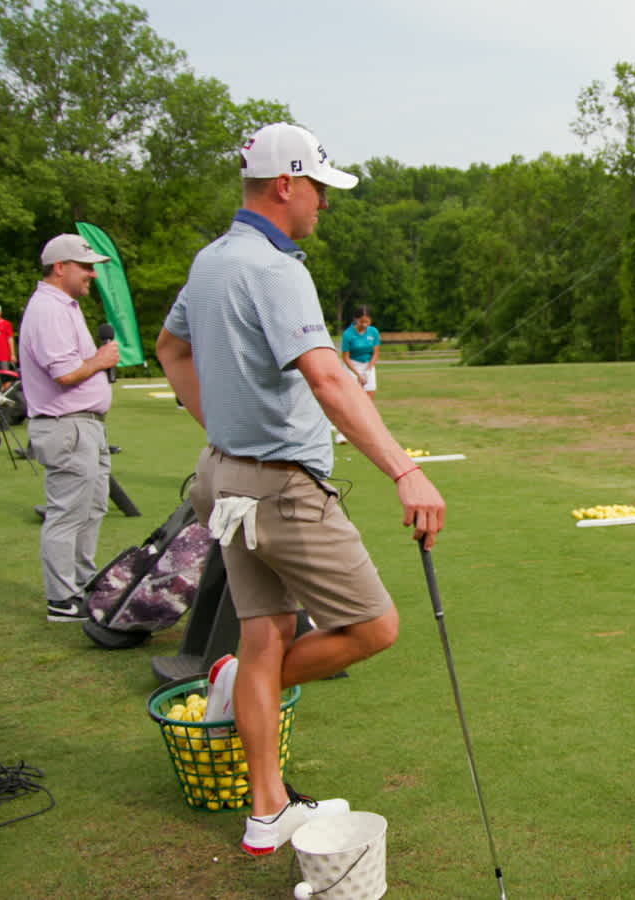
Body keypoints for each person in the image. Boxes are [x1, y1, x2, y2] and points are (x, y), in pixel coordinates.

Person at [155, 122, 446, 857]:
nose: (323, 203)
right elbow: (327, 376)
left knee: (265, 636)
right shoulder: (275, 269)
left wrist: (215, 420)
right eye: (318, 187)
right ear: (285, 184)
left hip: (221, 478)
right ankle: (231, 680)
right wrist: (406, 470)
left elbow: (170, 347)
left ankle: (268, 810)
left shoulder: (211, 260)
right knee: (374, 628)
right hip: (282, 489)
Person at [19, 234, 121, 622]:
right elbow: (63, 374)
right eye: (85, 266)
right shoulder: (49, 309)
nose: (92, 274)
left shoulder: (64, 306)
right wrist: (100, 359)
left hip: (82, 426)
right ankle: (62, 599)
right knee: (67, 514)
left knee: (92, 508)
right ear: (60, 267)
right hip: (66, 427)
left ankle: (82, 584)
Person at [333, 307, 381, 444]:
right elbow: (345, 357)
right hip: (352, 366)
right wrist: (358, 374)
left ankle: (366, 432)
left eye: (367, 322)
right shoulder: (348, 334)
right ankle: (342, 433)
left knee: (369, 400)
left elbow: (376, 353)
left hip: (368, 365)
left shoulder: (374, 332)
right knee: (351, 401)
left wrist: (368, 369)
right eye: (362, 322)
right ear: (356, 320)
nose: (365, 324)